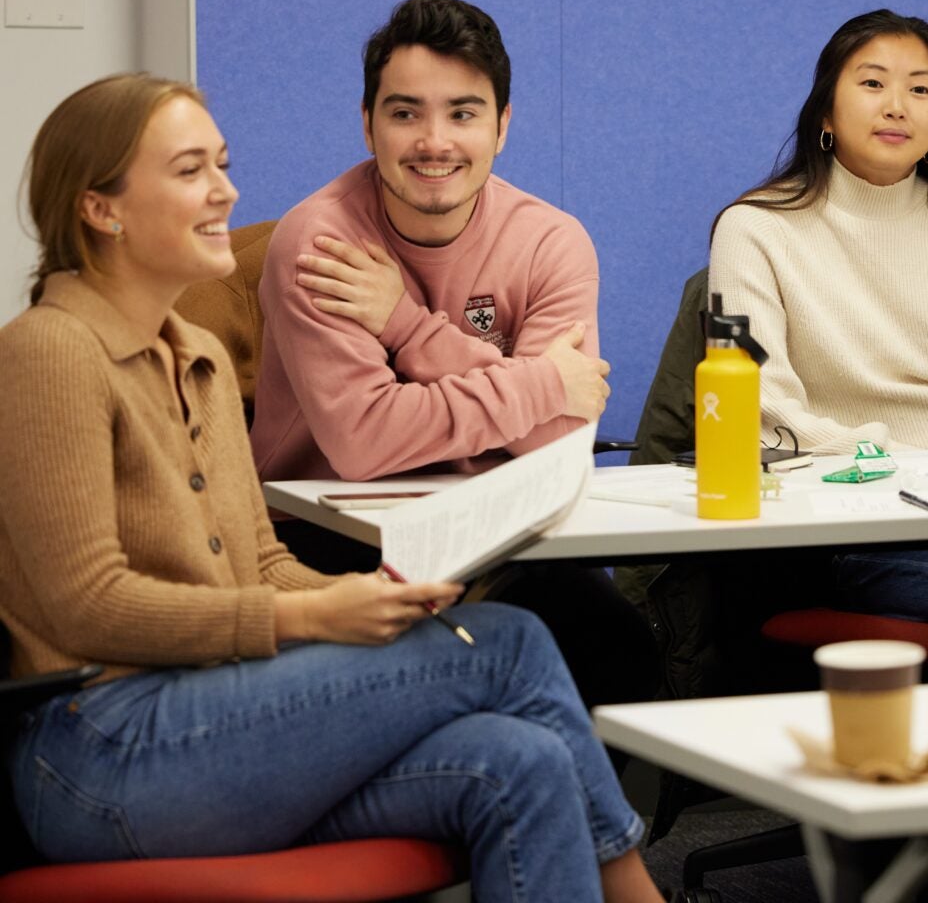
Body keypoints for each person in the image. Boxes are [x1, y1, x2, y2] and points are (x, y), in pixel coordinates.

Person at [0, 73, 667, 903]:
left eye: (223, 164)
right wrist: (313, 617)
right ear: (102, 208)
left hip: (217, 709)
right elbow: (87, 606)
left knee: (520, 760)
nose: (227, 191)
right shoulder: (48, 352)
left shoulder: (199, 359)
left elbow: (262, 564)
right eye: (190, 171)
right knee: (509, 643)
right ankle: (639, 892)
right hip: (100, 753)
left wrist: (371, 599)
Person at [249, 0, 658, 710]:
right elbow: (365, 441)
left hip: (491, 519)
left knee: (619, 653)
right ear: (367, 124)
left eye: (463, 114)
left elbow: (558, 438)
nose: (434, 141)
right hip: (327, 536)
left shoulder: (551, 242)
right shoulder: (320, 244)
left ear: (502, 127)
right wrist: (536, 386)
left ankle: (564, 825)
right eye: (405, 113)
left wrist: (408, 328)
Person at [709, 8, 928, 631]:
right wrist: (916, 475)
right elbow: (761, 415)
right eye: (873, 82)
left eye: (921, 88)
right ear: (825, 111)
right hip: (852, 486)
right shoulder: (756, 229)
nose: (898, 106)